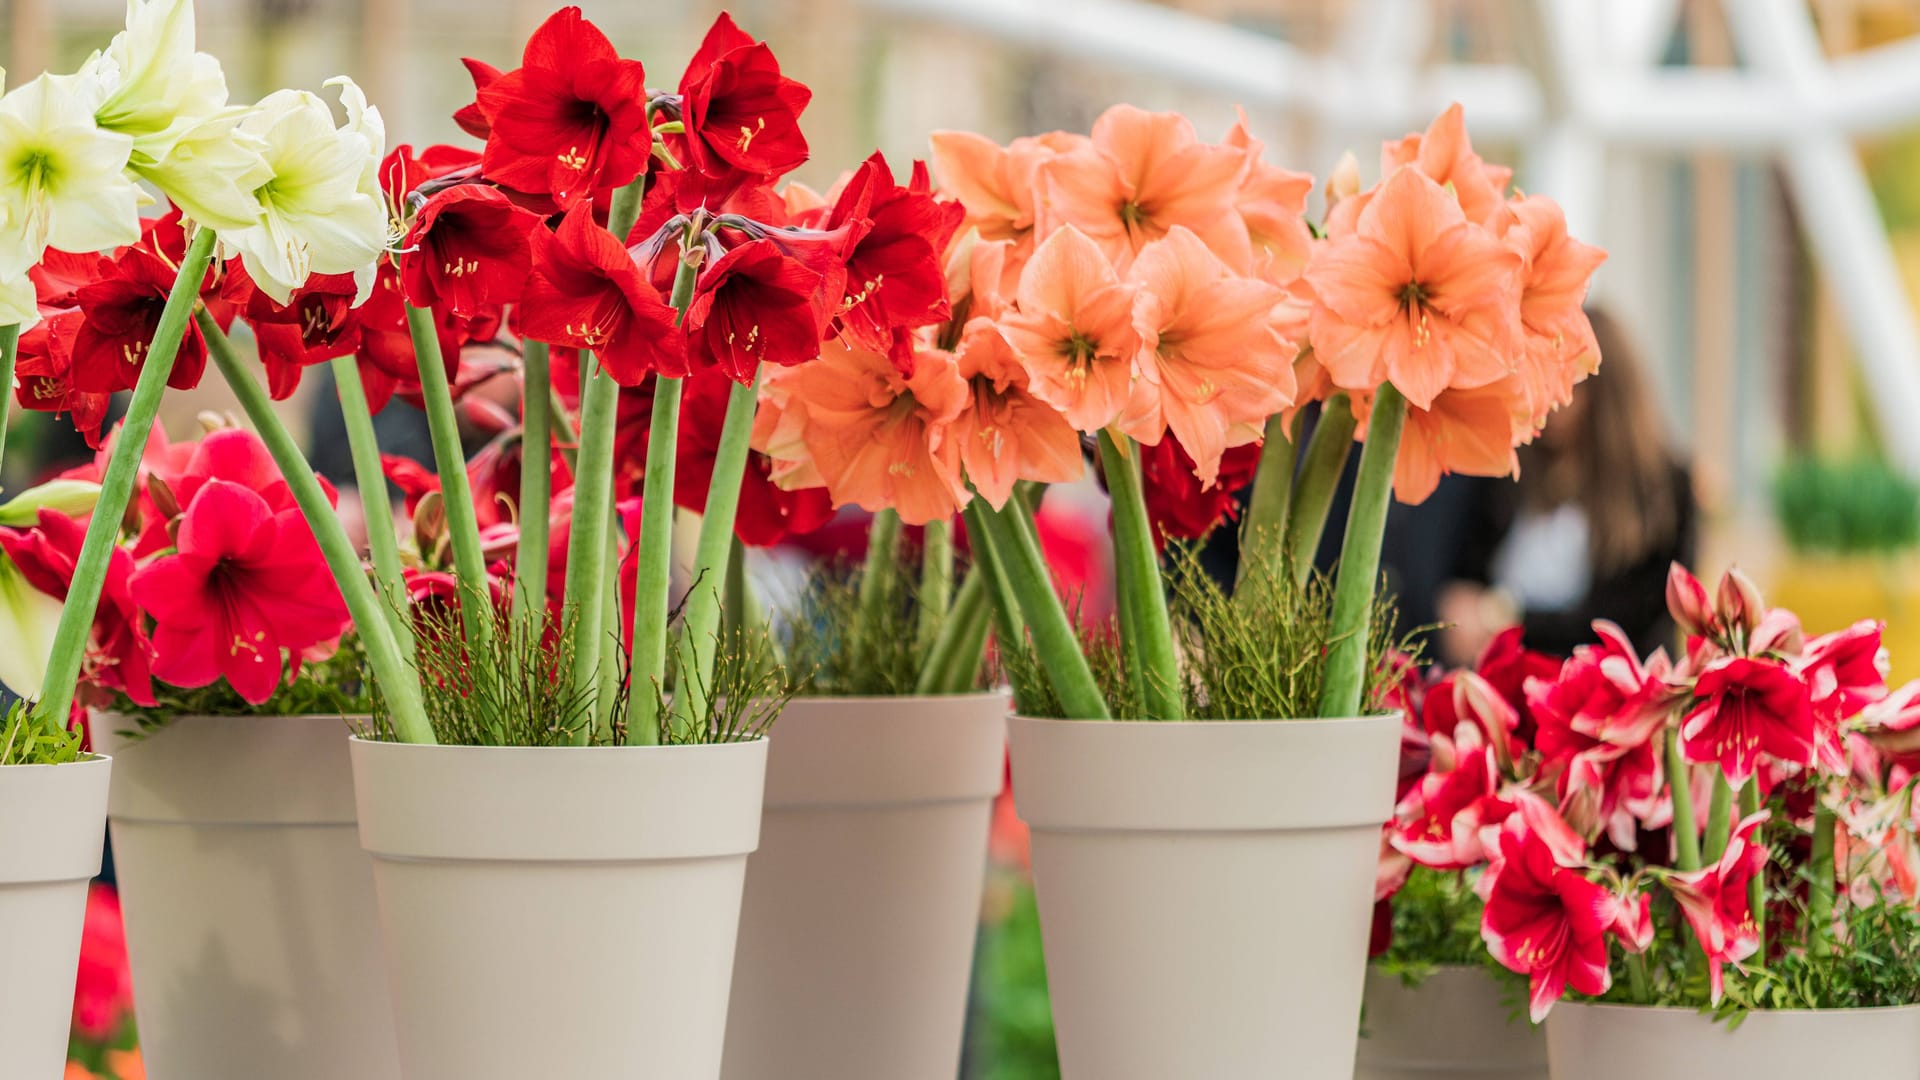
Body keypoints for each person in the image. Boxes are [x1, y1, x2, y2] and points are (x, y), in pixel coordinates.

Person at [1435, 307, 1695, 663]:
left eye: (1568, 381)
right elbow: (1465, 578)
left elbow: (1630, 622)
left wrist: (1506, 616)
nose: (1552, 396)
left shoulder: (1663, 488)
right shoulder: (1507, 472)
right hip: (1506, 683)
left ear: (1607, 389)